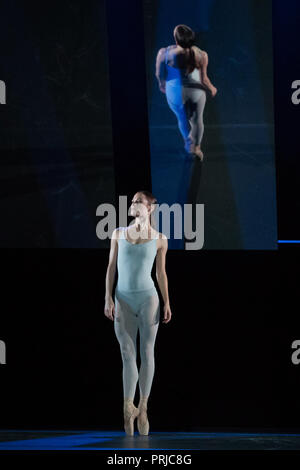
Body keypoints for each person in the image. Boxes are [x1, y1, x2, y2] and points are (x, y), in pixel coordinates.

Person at [104, 190, 172, 436]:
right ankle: (126, 407)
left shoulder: (160, 238)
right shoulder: (118, 234)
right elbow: (111, 267)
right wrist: (107, 297)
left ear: (150, 208)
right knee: (126, 352)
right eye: (132, 201)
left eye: (138, 201)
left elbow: (161, 274)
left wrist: (166, 302)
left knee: (147, 350)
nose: (133, 204)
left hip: (148, 298)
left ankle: (142, 407)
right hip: (122, 298)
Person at [155, 24, 218, 160]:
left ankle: (187, 142)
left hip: (175, 93)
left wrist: (161, 85)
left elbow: (159, 75)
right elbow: (204, 79)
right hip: (195, 93)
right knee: (197, 121)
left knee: (182, 118)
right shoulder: (202, 55)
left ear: (177, 40)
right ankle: (196, 147)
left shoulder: (164, 53)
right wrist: (212, 88)